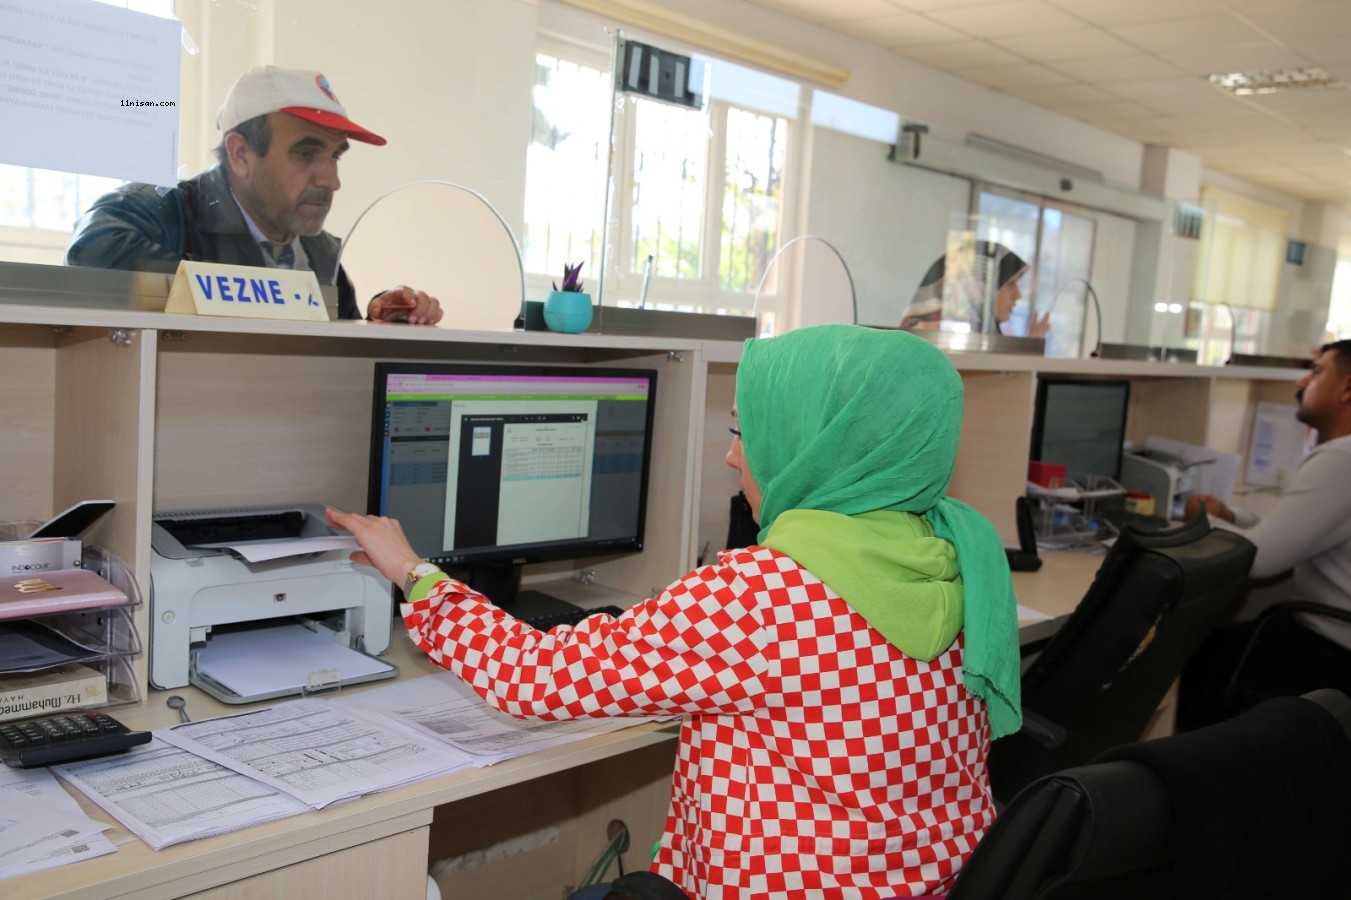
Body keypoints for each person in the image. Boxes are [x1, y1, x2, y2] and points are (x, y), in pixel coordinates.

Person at [329, 324, 1023, 899]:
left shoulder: (765, 594)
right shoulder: (959, 550)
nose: (729, 457)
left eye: (744, 433)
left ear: (815, 446)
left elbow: (533, 677)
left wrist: (413, 574)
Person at [65, 65, 441, 325]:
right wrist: (266, 294)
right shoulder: (156, 210)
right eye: (306, 154)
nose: (331, 181)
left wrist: (378, 320)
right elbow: (90, 255)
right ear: (241, 154)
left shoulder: (322, 253)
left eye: (335, 156)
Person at [1179, 339, 1351, 726]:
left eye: (1318, 370)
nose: (1303, 381)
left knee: (1194, 657)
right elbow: (1292, 532)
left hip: (1330, 656)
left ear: (1347, 388)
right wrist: (1232, 518)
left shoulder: (1341, 458)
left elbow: (1260, 560)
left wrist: (1202, 522)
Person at [900, 240, 1048, 338]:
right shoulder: (935, 345)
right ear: (975, 288)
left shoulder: (973, 344)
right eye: (1009, 284)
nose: (1018, 295)